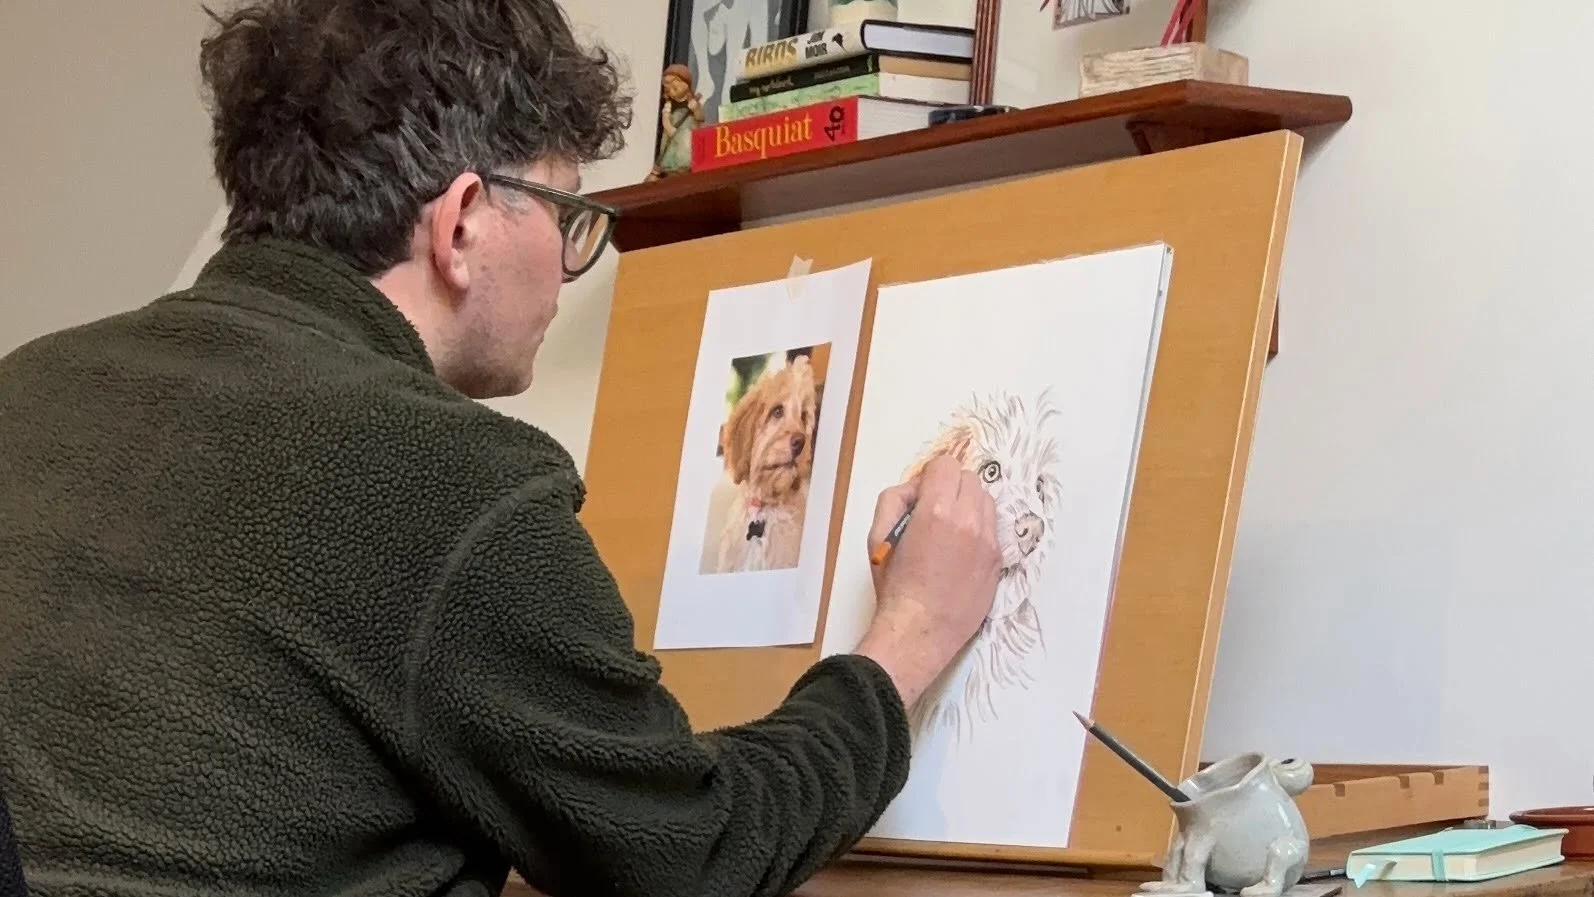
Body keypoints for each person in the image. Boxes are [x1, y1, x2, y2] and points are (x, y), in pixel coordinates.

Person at [0, 2, 1003, 896]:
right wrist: (906, 638)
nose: (568, 266)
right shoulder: (453, 482)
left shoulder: (26, 386)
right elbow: (691, 854)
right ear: (462, 225)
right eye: (568, 216)